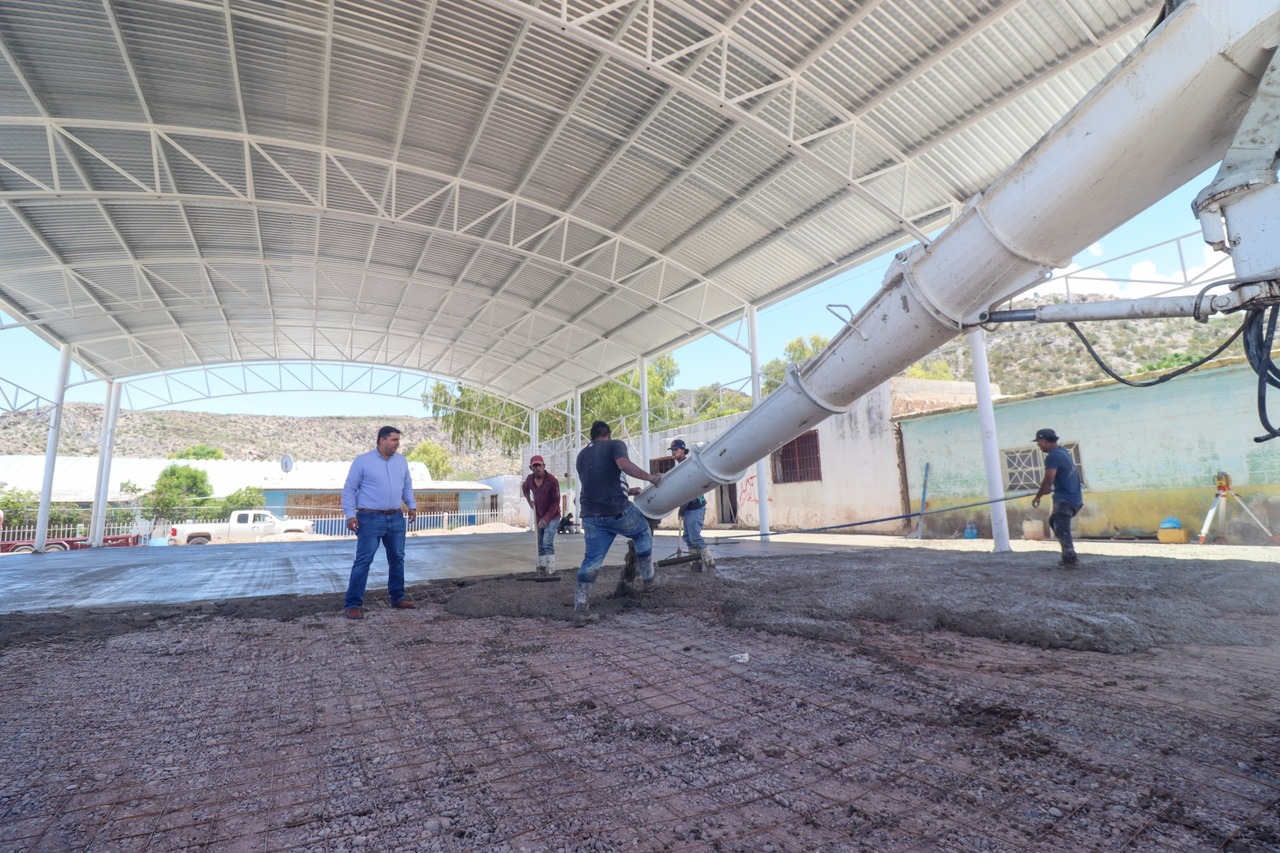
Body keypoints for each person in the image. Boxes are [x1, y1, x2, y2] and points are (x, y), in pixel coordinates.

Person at [572, 420, 662, 624]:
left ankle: (580, 608)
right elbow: (624, 465)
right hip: (616, 511)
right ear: (609, 435)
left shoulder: (582, 455)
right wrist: (650, 478)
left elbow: (598, 483)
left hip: (591, 516)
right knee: (642, 532)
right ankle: (648, 580)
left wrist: (629, 491)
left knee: (592, 560)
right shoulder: (615, 445)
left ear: (592, 436)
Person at [340, 426, 418, 618]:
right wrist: (350, 515)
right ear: (381, 440)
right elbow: (349, 489)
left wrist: (412, 505)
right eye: (394, 440)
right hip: (369, 518)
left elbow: (407, 486)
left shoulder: (401, 461)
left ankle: (398, 598)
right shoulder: (362, 461)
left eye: (398, 440)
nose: (397, 444)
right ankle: (353, 604)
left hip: (396, 517)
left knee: (397, 558)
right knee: (364, 560)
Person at [1031, 428, 1083, 567]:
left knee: (1061, 528)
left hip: (1065, 499)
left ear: (1045, 442)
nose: (1038, 446)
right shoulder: (1062, 451)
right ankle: (1069, 557)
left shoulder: (1052, 456)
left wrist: (1039, 495)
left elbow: (1048, 479)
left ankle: (1070, 559)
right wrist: (1048, 489)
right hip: (1074, 497)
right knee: (1055, 522)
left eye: (1039, 443)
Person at [668, 438, 715, 571]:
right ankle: (695, 565)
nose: (673, 453)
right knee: (688, 537)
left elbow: (689, 491)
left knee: (694, 537)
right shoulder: (682, 466)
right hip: (689, 507)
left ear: (683, 450)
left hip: (696, 506)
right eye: (672, 450)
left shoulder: (688, 465)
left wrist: (682, 509)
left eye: (676, 450)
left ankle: (710, 563)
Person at [522, 454, 561, 576]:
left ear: (544, 466)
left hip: (553, 515)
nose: (537, 468)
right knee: (539, 543)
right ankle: (541, 569)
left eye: (540, 465)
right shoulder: (530, 480)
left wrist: (546, 518)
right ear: (531, 468)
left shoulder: (552, 481)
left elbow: (556, 501)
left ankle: (550, 570)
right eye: (535, 466)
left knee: (547, 541)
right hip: (539, 515)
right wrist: (530, 502)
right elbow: (524, 488)